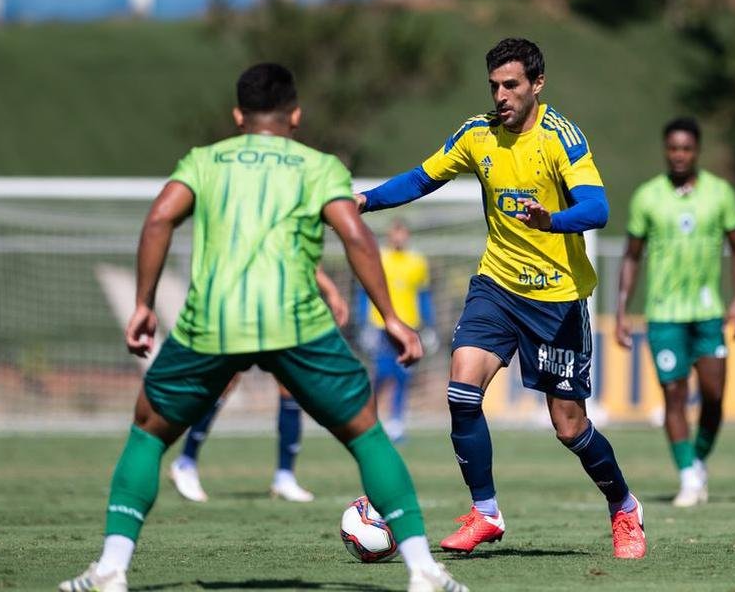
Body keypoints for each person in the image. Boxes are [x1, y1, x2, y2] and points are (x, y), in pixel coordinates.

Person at [58, 63, 467, 592]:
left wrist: (143, 304)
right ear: (294, 116)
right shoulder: (318, 166)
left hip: (213, 321)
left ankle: (111, 570)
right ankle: (423, 570)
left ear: (238, 116)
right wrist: (391, 317)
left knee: (148, 430)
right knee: (367, 432)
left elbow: (159, 218)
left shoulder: (205, 161)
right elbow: (356, 236)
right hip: (295, 322)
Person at [357, 37, 646, 559]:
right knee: (461, 390)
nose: (501, 96)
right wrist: (364, 200)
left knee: (570, 427)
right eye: (494, 86)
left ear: (537, 84)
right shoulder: (477, 134)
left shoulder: (561, 138)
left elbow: (598, 208)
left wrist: (552, 221)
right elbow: (422, 178)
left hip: (557, 300)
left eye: (511, 85)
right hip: (497, 287)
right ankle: (486, 512)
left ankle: (624, 507)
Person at [614, 116, 735, 507]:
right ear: (665, 150)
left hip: (708, 313)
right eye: (673, 148)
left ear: (697, 151)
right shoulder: (647, 197)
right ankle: (688, 476)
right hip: (664, 315)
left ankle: (697, 460)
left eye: (686, 148)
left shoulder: (720, 193)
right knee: (674, 395)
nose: (679, 155)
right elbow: (631, 256)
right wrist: (621, 309)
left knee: (714, 396)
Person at [167, 268, 350, 503]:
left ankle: (285, 475)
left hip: (279, 309)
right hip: (240, 305)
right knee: (225, 380)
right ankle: (185, 462)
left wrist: (331, 291)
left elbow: (303, 259)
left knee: (290, 382)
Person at [355, 220, 435, 442]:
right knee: (382, 373)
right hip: (380, 325)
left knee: (402, 375)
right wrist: (363, 324)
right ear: (390, 235)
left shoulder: (417, 262)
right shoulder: (378, 257)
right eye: (395, 233)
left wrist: (429, 326)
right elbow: (364, 292)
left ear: (407, 235)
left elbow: (423, 295)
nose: (399, 237)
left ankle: (396, 423)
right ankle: (369, 418)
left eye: (402, 233)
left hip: (408, 326)